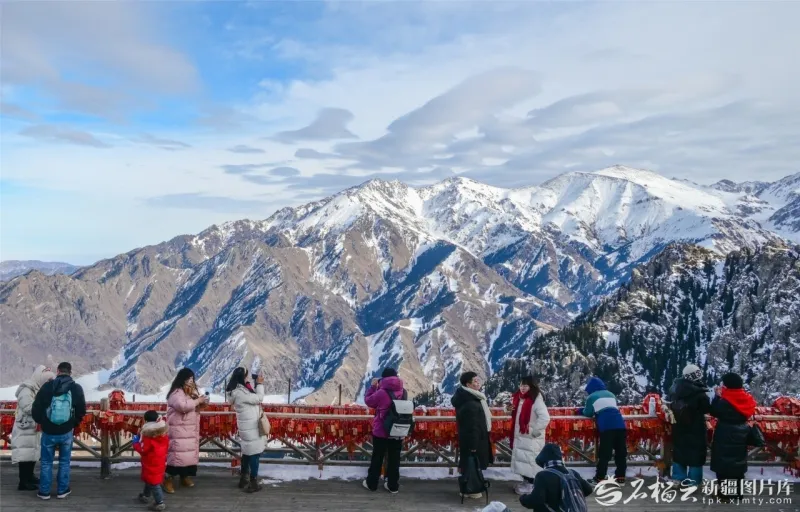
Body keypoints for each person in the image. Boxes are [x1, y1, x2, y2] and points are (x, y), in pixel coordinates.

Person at [31, 361, 86, 500]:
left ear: (58, 371)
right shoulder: (76, 388)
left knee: (46, 462)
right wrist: (73, 423)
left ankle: (44, 492)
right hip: (66, 430)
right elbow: (81, 410)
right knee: (64, 462)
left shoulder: (47, 387)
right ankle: (62, 490)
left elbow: (36, 408)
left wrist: (43, 422)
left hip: (48, 430)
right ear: (70, 372)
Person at [709, 372, 756, 500]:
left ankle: (725, 494)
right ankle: (737, 493)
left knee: (724, 464)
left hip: (725, 433)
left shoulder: (725, 400)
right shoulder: (747, 398)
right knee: (737, 463)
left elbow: (713, 411)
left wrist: (717, 397)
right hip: (741, 433)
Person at [362, 368, 406, 494]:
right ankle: (393, 486)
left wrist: (373, 386)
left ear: (384, 379)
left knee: (378, 457)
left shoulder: (381, 392)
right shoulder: (403, 392)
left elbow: (368, 401)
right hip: (397, 430)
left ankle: (372, 484)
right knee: (394, 459)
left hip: (381, 431)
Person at [164, 368, 208, 493]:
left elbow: (191, 406)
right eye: (189, 379)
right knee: (177, 455)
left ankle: (184, 476)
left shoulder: (189, 393)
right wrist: (197, 401)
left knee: (187, 455)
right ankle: (167, 479)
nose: (191, 381)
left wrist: (200, 403)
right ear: (182, 379)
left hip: (189, 429)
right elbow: (182, 406)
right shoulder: (176, 393)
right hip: (179, 430)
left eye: (192, 379)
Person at [11, 365, 55, 490]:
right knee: (25, 455)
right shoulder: (26, 390)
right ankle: (23, 482)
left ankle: (30, 477)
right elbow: (27, 407)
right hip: (25, 427)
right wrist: (44, 406)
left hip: (33, 426)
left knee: (32, 453)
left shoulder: (36, 389)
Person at [667, 364, 711, 487]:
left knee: (679, 451)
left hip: (678, 426)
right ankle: (694, 481)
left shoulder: (674, 389)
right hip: (695, 427)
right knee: (696, 454)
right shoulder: (700, 393)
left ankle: (678, 478)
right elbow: (706, 409)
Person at [451, 371, 493, 500]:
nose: (478, 382)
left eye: (477, 380)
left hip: (467, 438)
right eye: (475, 381)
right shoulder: (472, 403)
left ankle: (467, 488)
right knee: (473, 464)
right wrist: (474, 445)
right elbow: (473, 426)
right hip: (474, 439)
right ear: (468, 384)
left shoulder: (467, 397)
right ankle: (472, 489)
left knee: (469, 463)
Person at [578, 377, 627, 485]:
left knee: (605, 453)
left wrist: (579, 410)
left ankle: (599, 478)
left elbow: (588, 413)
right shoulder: (611, 394)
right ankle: (621, 477)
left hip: (607, 426)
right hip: (620, 424)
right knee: (621, 453)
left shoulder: (592, 397)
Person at [226, 367, 266, 493]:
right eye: (246, 377)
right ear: (242, 378)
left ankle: (244, 479)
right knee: (254, 454)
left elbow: (252, 397)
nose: (248, 378)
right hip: (251, 428)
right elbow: (259, 398)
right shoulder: (241, 393)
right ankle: (253, 482)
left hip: (246, 427)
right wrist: (259, 384)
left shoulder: (238, 391)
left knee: (247, 453)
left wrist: (249, 384)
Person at [519, 443, 593, 511]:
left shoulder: (542, 476)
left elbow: (536, 500)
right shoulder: (573, 473)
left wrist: (523, 498)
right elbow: (588, 490)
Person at [510, 376, 550, 495]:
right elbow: (515, 412)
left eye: (525, 386)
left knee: (531, 461)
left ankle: (532, 485)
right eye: (521, 385)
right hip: (521, 435)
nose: (522, 388)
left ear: (532, 386)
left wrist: (535, 432)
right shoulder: (519, 397)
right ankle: (526, 482)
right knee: (524, 461)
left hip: (531, 437)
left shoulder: (536, 399)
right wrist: (508, 409)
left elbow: (545, 418)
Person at [133, 410, 169, 511]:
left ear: (146, 420)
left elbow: (143, 449)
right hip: (160, 461)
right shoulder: (162, 433)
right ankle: (146, 496)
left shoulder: (148, 434)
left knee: (154, 483)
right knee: (150, 479)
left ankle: (160, 502)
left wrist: (136, 443)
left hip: (150, 462)